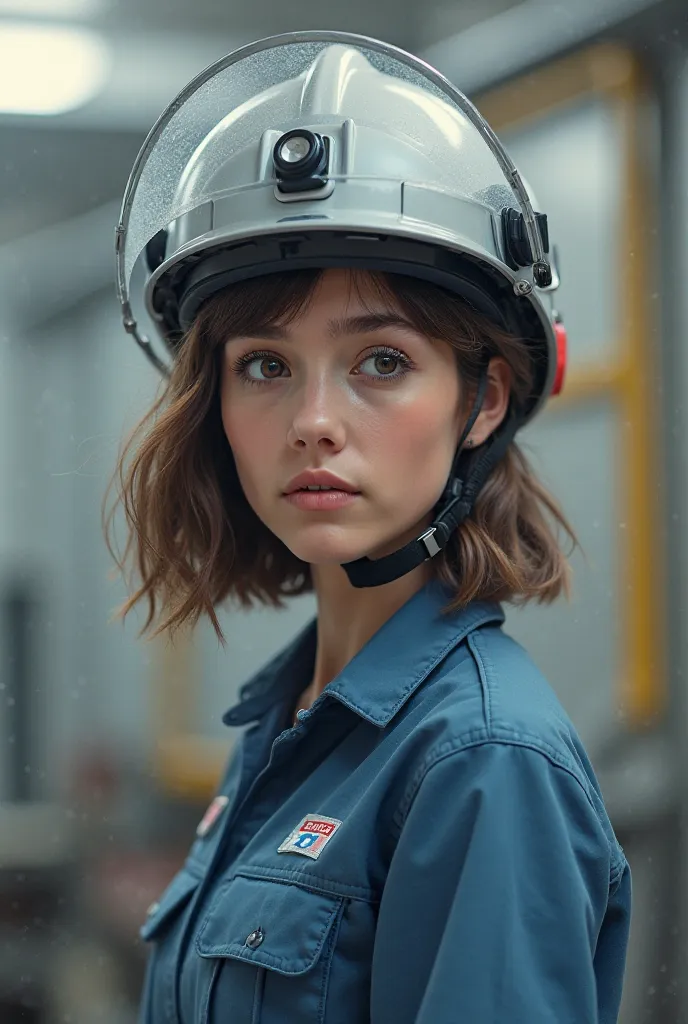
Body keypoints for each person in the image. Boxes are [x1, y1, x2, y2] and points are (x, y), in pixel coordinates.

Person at [105, 31, 631, 1024]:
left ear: (482, 400)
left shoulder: (480, 760)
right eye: (265, 363)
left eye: (381, 360)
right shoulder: (297, 722)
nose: (311, 419)